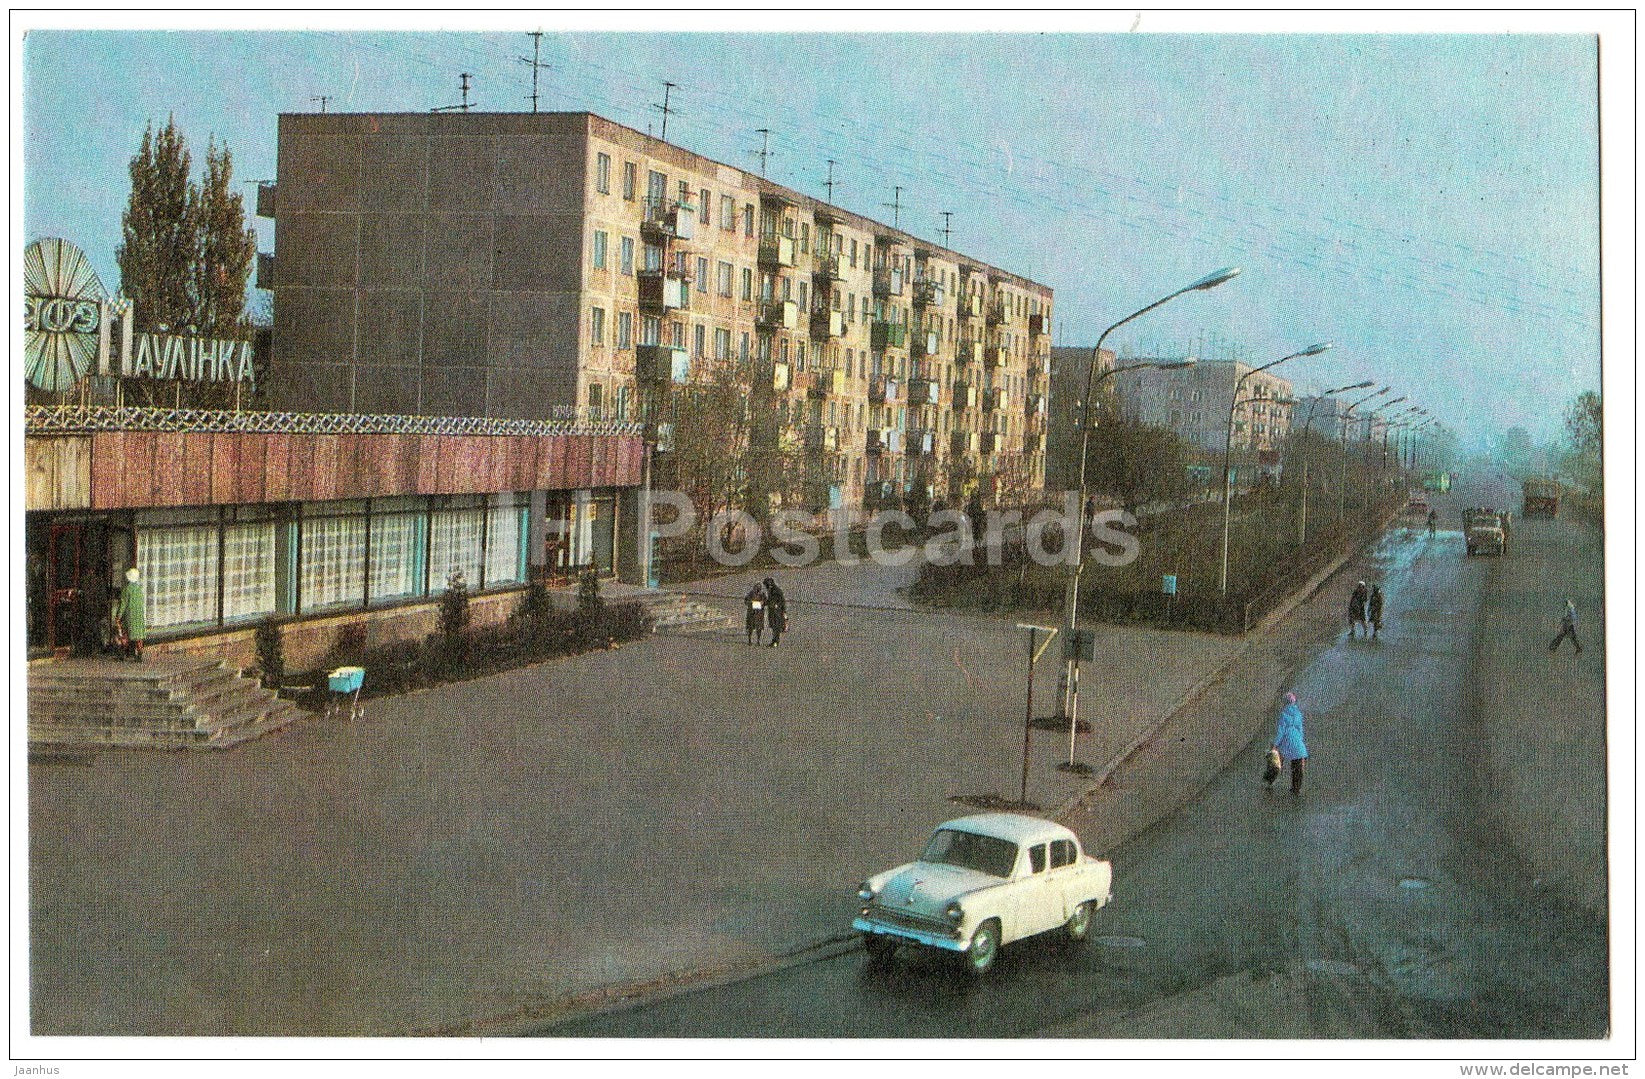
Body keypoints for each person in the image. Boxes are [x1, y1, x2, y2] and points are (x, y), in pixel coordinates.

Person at [1271, 691, 1309, 795]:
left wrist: (1275, 745)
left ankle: (1271, 780)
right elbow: (1301, 731)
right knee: (1298, 768)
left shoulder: (1284, 715)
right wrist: (1300, 741)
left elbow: (1281, 732)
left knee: (1277, 761)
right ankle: (1296, 789)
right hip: (1299, 745)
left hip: (1287, 742)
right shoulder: (1298, 714)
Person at [114, 566, 146, 662]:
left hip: (130, 615)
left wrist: (118, 616)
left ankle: (122, 654)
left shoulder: (127, 589)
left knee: (126, 634)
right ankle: (139, 654)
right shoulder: (139, 589)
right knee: (139, 635)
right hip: (139, 614)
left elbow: (123, 604)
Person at [763, 577, 787, 647]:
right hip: (773, 611)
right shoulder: (773, 590)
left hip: (776, 612)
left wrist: (764, 603)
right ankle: (774, 641)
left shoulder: (775, 591)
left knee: (776, 627)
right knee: (774, 627)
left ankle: (775, 642)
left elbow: (779, 601)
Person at [744, 580, 767, 646]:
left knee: (759, 628)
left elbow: (765, 601)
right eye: (757, 588)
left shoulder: (762, 594)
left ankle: (758, 640)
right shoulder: (751, 593)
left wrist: (763, 602)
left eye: (759, 588)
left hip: (759, 613)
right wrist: (751, 602)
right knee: (750, 627)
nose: (758, 589)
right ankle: (749, 640)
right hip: (751, 613)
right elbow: (746, 601)